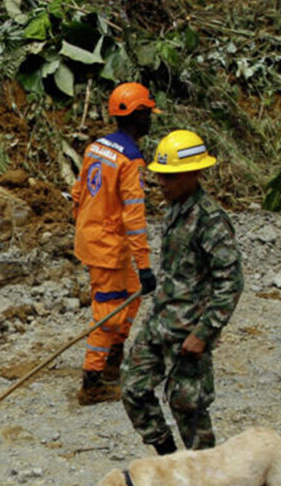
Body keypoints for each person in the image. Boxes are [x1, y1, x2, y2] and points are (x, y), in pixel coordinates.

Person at [121, 130, 244, 454]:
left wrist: (204, 333)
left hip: (190, 333)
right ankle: (170, 459)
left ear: (195, 173)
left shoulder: (211, 220)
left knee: (188, 409)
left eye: (170, 177)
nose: (161, 183)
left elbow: (230, 283)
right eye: (160, 175)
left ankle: (206, 484)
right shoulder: (173, 208)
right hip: (160, 324)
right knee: (134, 388)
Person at [70, 82, 160, 405]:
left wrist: (85, 226)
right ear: (137, 116)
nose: (151, 120)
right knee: (108, 311)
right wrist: (146, 265)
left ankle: (112, 360)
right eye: (147, 113)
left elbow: (78, 193)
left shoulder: (96, 148)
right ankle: (91, 382)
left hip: (94, 240)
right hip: (108, 247)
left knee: (132, 296)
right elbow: (134, 220)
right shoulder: (130, 161)